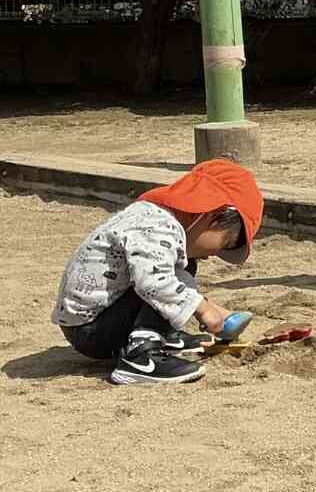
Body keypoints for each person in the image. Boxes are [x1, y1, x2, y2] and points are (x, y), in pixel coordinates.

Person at [52, 159, 263, 386]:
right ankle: (140, 357)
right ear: (212, 214)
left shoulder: (157, 217)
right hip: (92, 330)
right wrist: (203, 309)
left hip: (97, 319)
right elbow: (153, 283)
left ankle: (160, 335)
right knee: (164, 277)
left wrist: (209, 306)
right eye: (226, 243)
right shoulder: (157, 227)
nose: (214, 254)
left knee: (182, 266)